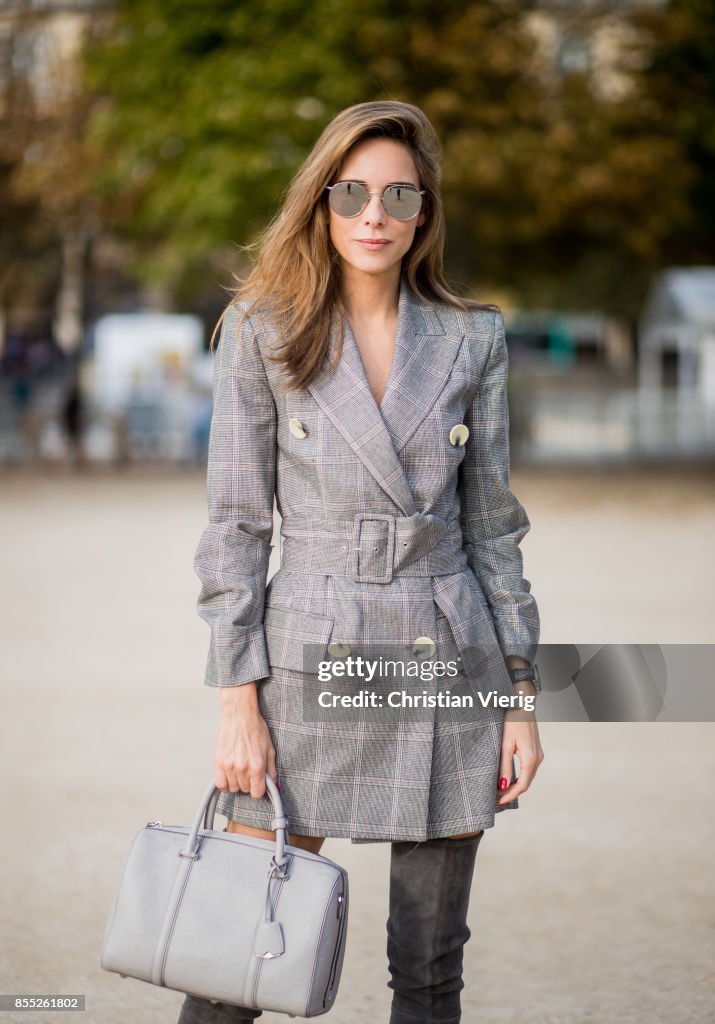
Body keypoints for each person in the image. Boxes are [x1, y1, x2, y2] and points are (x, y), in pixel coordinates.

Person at [179, 100, 544, 1024]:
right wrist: (236, 706)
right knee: (238, 956)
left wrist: (520, 699)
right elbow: (234, 530)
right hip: (306, 656)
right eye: (351, 193)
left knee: (428, 972)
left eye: (396, 195)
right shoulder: (262, 332)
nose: (372, 214)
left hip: (444, 653)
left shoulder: (474, 338)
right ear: (322, 204)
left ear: (423, 212)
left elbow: (492, 530)